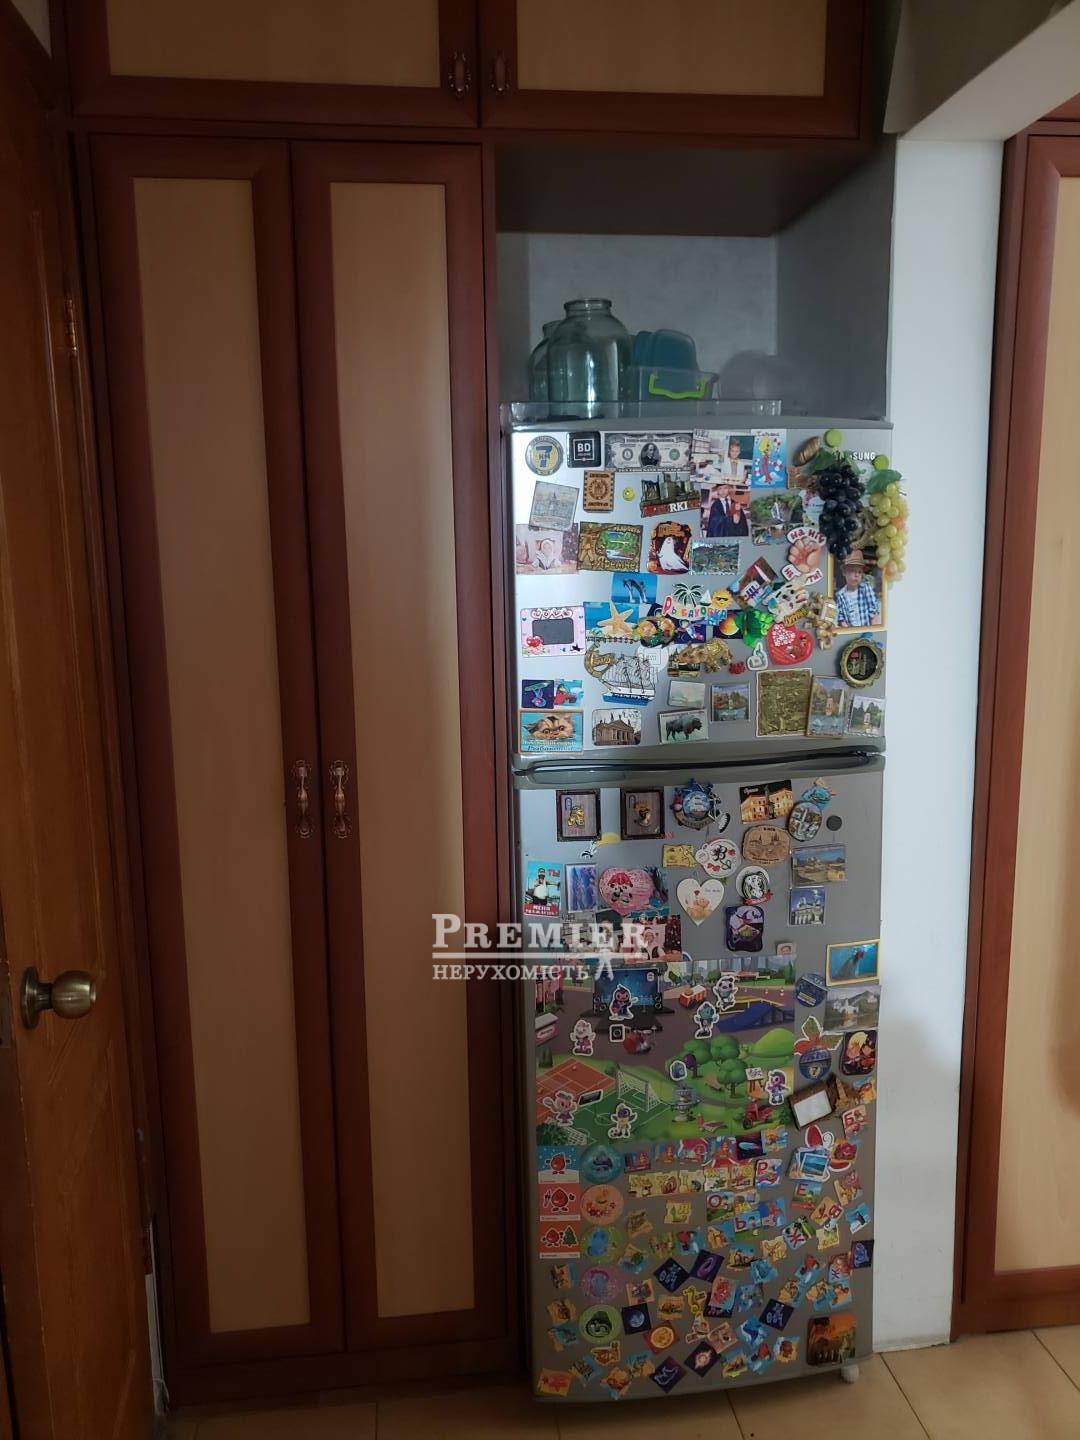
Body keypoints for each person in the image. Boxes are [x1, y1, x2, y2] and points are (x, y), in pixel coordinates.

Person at [834, 550, 882, 628]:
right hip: (850, 630)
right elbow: (841, 616)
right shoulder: (840, 594)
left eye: (859, 572)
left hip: (866, 628)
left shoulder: (865, 588)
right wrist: (844, 625)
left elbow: (874, 610)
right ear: (844, 573)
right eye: (853, 571)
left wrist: (873, 626)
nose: (857, 575)